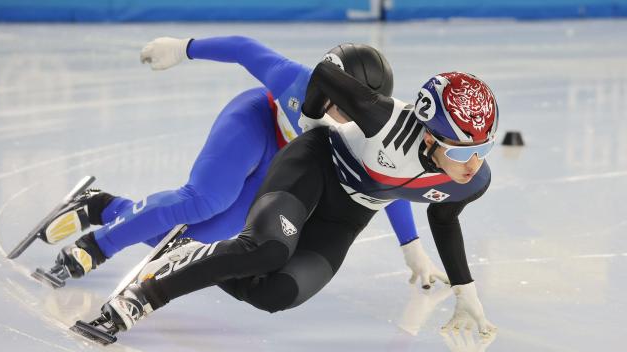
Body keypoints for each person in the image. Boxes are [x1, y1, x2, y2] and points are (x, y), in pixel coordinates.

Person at [98, 59, 499, 339]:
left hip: (347, 214)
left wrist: (467, 295)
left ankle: (189, 250)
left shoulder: (471, 181)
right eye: (463, 150)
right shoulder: (384, 119)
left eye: (484, 147)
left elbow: (444, 221)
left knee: (274, 294)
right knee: (267, 249)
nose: (473, 162)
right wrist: (311, 120)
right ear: (429, 135)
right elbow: (325, 74)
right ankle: (146, 294)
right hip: (314, 166)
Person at [38, 36, 446, 289]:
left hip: (287, 161)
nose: (354, 119)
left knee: (199, 244)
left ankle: (103, 207)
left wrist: (411, 246)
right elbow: (244, 49)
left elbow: (388, 182)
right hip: (255, 123)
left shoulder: (370, 130)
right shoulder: (293, 80)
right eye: (345, 105)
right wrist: (184, 48)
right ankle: (95, 246)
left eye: (364, 110)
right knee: (204, 200)